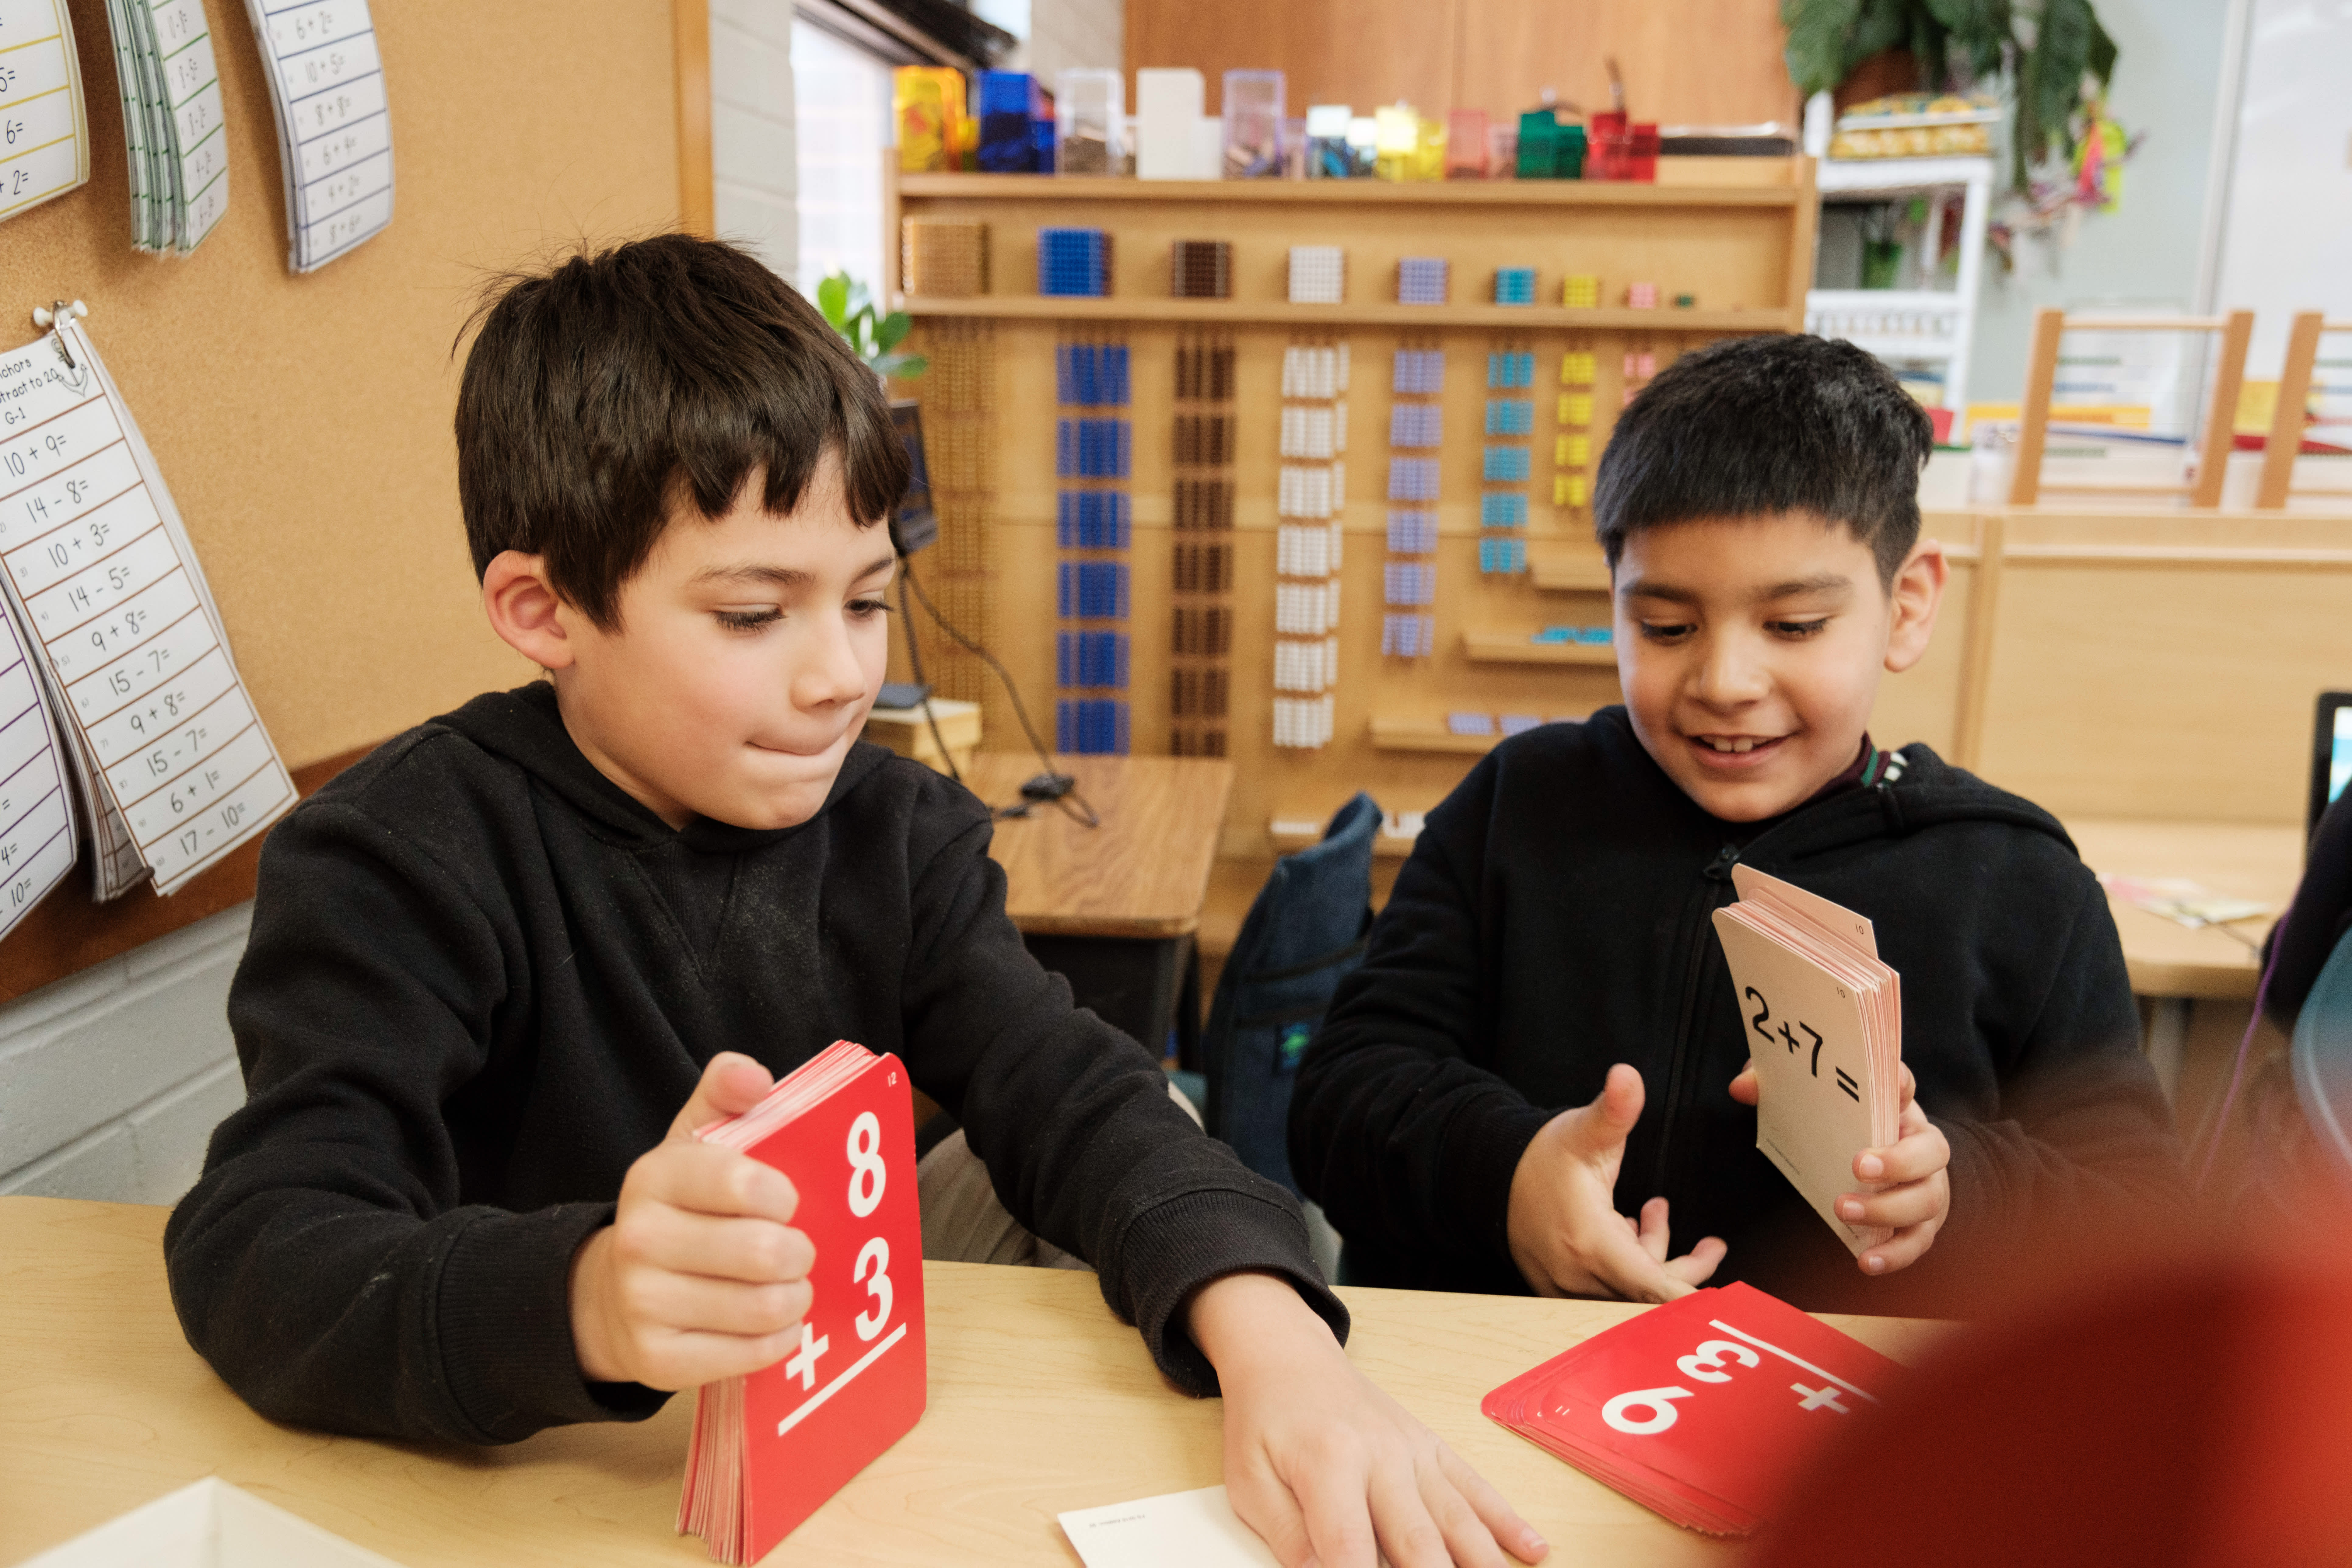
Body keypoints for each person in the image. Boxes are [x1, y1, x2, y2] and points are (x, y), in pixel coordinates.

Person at [164, 236, 1543, 1568]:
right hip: (541, 1477)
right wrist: (588, 1296)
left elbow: (1068, 1088)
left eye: (868, 600)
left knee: (1166, 1150)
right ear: (543, 611)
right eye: (756, 614)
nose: (838, 678)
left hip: (843, 1429)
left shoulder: (900, 832)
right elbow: (258, 1248)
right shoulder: (398, 856)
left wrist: (1282, 1346)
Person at [1289, 334, 2185, 1315]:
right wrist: (1510, 1175)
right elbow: (1339, 1098)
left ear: (1909, 603)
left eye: (1795, 627)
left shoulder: (2020, 885)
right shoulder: (1519, 807)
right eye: (1666, 628)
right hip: (1490, 1400)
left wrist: (1960, 1191)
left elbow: (2139, 1225)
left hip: (1827, 1435)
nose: (1724, 684)